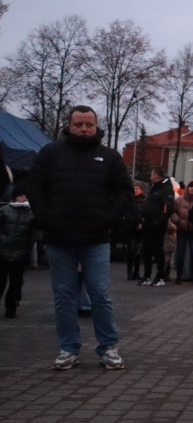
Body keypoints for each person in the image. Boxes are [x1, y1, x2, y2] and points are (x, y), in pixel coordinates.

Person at [27, 105, 133, 370]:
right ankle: (68, 348)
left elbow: (124, 191)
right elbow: (34, 186)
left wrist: (109, 218)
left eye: (89, 124)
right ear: (69, 125)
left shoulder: (109, 157)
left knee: (99, 294)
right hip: (59, 237)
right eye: (79, 124)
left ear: (96, 127)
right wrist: (44, 216)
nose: (84, 129)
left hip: (96, 238)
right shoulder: (50, 153)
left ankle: (108, 347)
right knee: (64, 296)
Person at [0, 185, 34, 318]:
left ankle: (11, 308)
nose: (23, 197)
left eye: (25, 195)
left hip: (19, 253)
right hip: (7, 252)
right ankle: (11, 309)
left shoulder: (5, 210)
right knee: (5, 282)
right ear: (15, 196)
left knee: (15, 283)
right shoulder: (5, 210)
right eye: (20, 195)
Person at [139, 167, 175, 287]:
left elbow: (169, 207)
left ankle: (160, 276)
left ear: (157, 176)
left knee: (158, 250)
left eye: (152, 175)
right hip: (148, 222)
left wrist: (159, 220)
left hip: (158, 224)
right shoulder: (154, 188)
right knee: (147, 249)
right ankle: (147, 275)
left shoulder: (167, 189)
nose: (150, 177)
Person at [171, 181, 193, 283]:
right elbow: (173, 211)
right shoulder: (179, 200)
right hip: (182, 228)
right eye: (190, 187)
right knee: (180, 253)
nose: (192, 189)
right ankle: (179, 275)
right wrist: (178, 221)